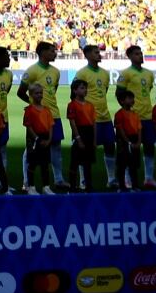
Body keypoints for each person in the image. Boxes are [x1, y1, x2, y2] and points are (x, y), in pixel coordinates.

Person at [17, 42, 66, 192]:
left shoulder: (56, 72)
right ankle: (27, 182)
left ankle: (58, 180)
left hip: (53, 115)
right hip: (37, 117)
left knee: (56, 148)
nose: (55, 53)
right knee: (31, 150)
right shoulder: (31, 71)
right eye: (52, 51)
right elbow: (21, 92)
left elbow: (53, 91)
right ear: (43, 52)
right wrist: (33, 105)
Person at [117, 45, 156, 188]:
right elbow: (119, 93)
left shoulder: (149, 74)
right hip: (132, 117)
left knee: (149, 147)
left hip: (147, 116)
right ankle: (128, 179)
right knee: (131, 149)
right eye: (136, 54)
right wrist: (128, 111)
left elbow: (148, 91)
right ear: (129, 57)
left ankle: (148, 178)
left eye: (141, 53)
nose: (140, 56)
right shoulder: (126, 74)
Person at [72, 44, 114, 187]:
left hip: (105, 117)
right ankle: (84, 182)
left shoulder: (105, 73)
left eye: (99, 52)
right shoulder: (82, 73)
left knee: (110, 147)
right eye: (96, 52)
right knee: (85, 152)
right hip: (87, 120)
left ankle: (112, 179)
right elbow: (75, 95)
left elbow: (105, 90)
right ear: (88, 55)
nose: (99, 54)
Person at [23, 82, 55, 195]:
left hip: (46, 138)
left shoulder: (46, 110)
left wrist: (49, 139)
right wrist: (37, 139)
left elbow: (51, 125)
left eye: (41, 93)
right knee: (32, 163)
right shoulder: (29, 110)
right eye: (36, 93)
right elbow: (28, 126)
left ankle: (46, 186)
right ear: (31, 95)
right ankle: (31, 187)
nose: (39, 95)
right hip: (34, 139)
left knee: (45, 164)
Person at [66, 77, 97, 192]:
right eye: (82, 88)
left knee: (87, 162)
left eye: (85, 88)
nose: (85, 90)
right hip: (79, 132)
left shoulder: (90, 105)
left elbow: (94, 122)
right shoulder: (72, 105)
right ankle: (72, 187)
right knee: (75, 161)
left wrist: (94, 139)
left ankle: (88, 186)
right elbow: (72, 122)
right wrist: (78, 138)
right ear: (75, 91)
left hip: (89, 133)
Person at [113, 88, 143, 191]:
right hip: (123, 141)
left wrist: (138, 141)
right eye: (129, 98)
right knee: (122, 165)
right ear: (122, 101)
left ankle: (135, 185)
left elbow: (139, 128)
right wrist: (128, 142)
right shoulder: (119, 114)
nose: (132, 100)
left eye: (132, 98)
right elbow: (120, 130)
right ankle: (122, 186)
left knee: (133, 165)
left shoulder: (135, 114)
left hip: (134, 139)